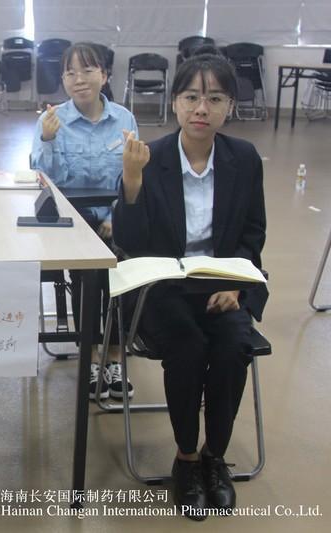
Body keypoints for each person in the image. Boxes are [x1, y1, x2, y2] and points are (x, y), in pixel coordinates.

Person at [113, 50, 267, 520]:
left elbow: (252, 234)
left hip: (222, 284)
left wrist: (236, 285)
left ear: (230, 106)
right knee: (188, 345)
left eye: (215, 98)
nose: (202, 108)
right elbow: (131, 244)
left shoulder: (244, 159)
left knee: (234, 345)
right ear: (175, 103)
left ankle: (214, 456)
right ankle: (185, 458)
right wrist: (132, 181)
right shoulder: (150, 157)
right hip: (162, 288)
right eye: (191, 97)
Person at [31, 42, 138, 401]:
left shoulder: (124, 119)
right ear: (63, 80)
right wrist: (48, 139)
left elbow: (131, 175)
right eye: (70, 73)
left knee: (122, 271)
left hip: (115, 218)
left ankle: (115, 356)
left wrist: (116, 216)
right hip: (72, 221)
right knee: (86, 275)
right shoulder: (50, 120)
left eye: (88, 70)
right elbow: (45, 181)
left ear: (104, 75)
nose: (79, 79)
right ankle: (90, 355)